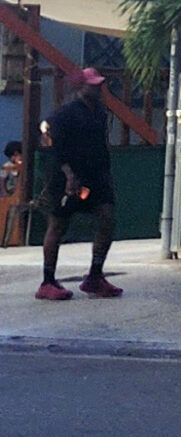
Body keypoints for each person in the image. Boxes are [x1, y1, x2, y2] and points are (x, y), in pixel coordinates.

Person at [34, 68, 121, 303]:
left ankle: (95, 275)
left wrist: (104, 174)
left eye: (99, 85)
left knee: (107, 218)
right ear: (81, 87)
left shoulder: (100, 112)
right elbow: (56, 145)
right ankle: (48, 281)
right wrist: (68, 174)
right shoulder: (66, 114)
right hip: (66, 177)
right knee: (58, 225)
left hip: (96, 176)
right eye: (93, 85)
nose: (98, 88)